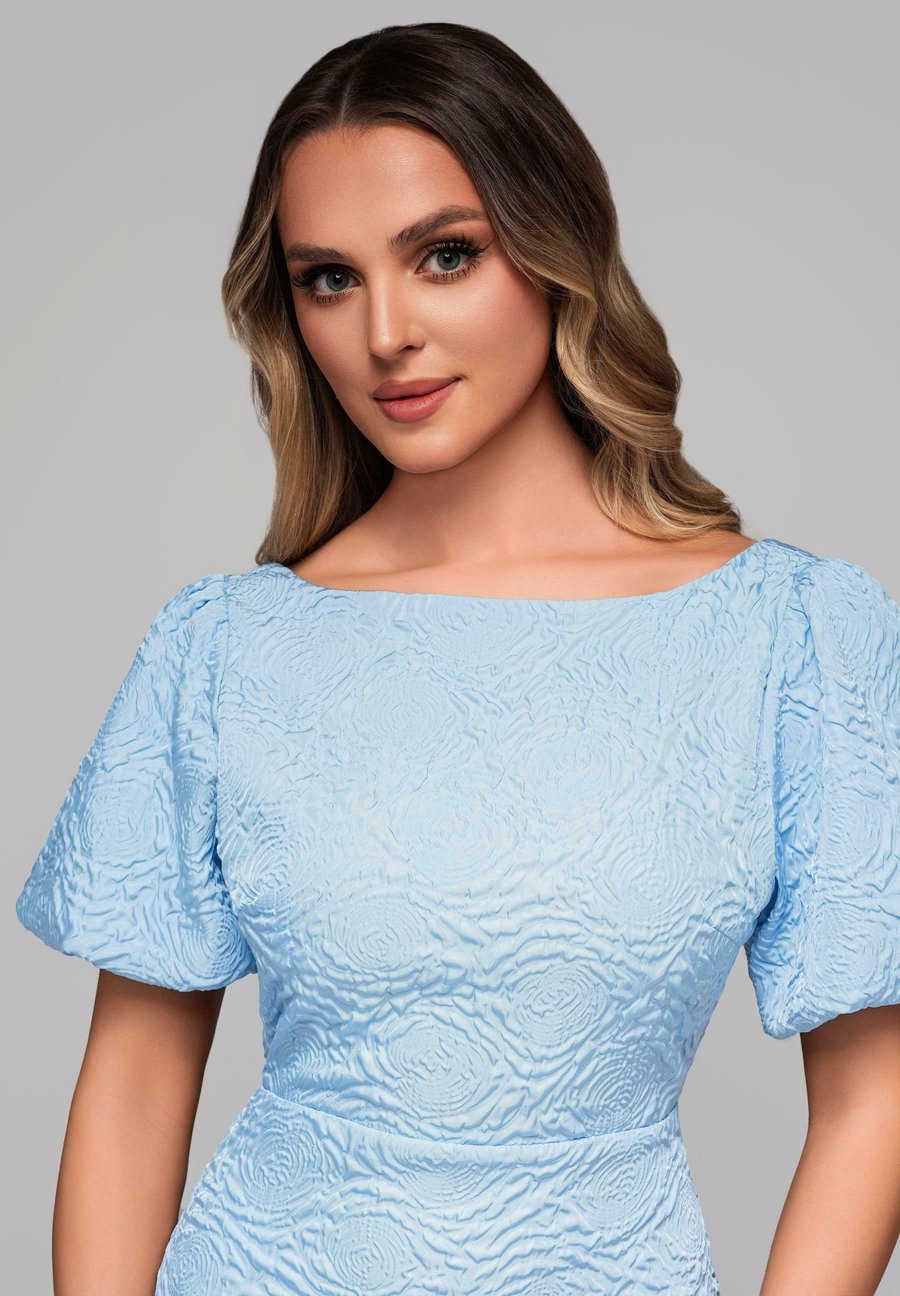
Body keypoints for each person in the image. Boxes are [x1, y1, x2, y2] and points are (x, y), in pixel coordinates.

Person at [15, 21, 900, 1296]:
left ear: (555, 249)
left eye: (445, 255)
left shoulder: (793, 636)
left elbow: (876, 1097)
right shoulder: (225, 648)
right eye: (329, 278)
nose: (386, 332)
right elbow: (134, 1086)